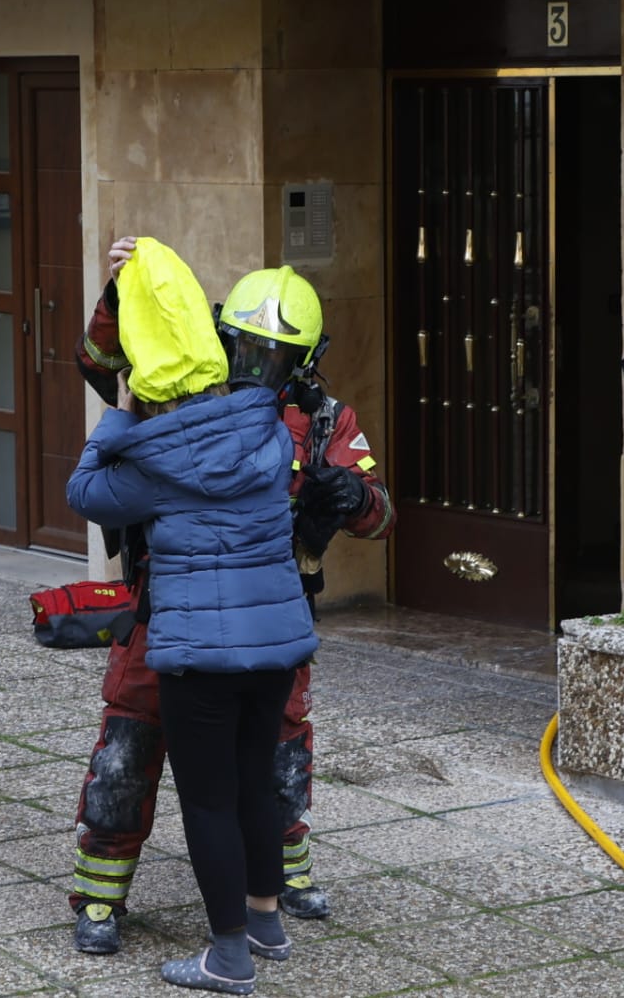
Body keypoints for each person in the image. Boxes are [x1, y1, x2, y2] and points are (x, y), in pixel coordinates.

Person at [68, 237, 394, 956]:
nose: (259, 367)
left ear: (305, 357)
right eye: (245, 347)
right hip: (164, 612)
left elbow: (379, 515)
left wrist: (346, 495)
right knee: (127, 750)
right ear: (220, 337)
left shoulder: (322, 419)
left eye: (274, 355)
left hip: (273, 621)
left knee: (274, 760)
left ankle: (279, 882)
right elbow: (103, 364)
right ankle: (100, 891)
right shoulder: (182, 391)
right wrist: (122, 288)